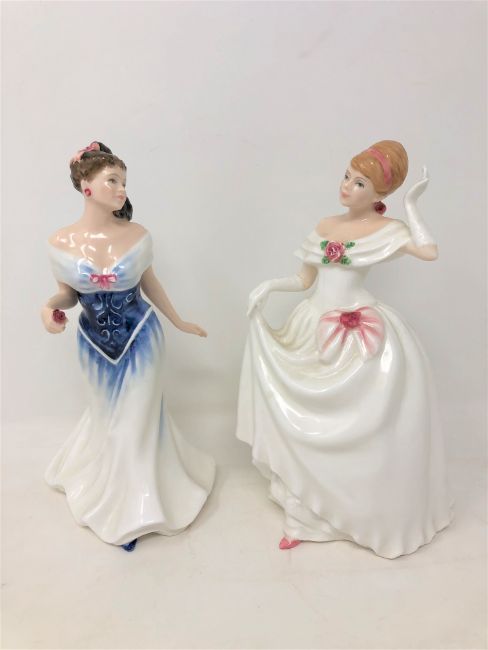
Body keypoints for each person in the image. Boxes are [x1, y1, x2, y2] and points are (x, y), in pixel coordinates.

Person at [236, 140, 452, 559]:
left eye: (360, 183)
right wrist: (270, 286)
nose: (347, 187)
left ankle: (358, 508)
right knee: (302, 420)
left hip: (361, 333)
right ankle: (304, 512)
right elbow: (304, 280)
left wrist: (411, 206)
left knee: (361, 428)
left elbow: (428, 251)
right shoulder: (324, 225)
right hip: (312, 325)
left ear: (379, 194)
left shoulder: (388, 230)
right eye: (348, 177)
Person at [42, 141, 215, 551]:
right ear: (86, 186)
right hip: (93, 347)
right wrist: (50, 307)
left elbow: (150, 284)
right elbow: (67, 295)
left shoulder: (137, 236)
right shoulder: (60, 242)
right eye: (112, 181)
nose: (122, 189)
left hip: (141, 338)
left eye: (124, 182)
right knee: (109, 420)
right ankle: (114, 496)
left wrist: (178, 321)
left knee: (135, 425)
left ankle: (136, 511)